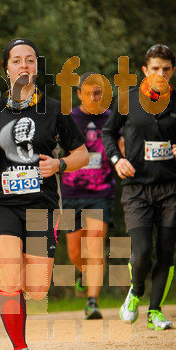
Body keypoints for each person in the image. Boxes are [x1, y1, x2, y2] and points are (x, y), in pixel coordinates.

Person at [0, 38, 88, 350]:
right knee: (10, 278)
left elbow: (82, 154)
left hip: (41, 206)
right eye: (16, 60)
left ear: (36, 67)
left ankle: (22, 312)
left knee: (36, 288)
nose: (24, 65)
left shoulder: (54, 110)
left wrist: (60, 165)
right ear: (6, 68)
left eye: (30, 60)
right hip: (1, 203)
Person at [102, 44, 176, 330]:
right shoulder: (127, 99)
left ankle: (155, 311)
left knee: (166, 251)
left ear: (173, 72)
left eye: (166, 69)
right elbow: (108, 132)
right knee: (142, 251)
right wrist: (117, 159)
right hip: (137, 189)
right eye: (155, 68)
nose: (161, 73)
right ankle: (136, 291)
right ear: (145, 70)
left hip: (171, 189)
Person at [61, 72, 119, 320]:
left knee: (95, 242)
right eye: (89, 92)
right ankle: (83, 275)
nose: (94, 97)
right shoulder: (68, 118)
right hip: (71, 191)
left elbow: (122, 145)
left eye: (98, 92)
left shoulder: (111, 119)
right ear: (79, 94)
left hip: (101, 191)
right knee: (75, 252)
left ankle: (92, 302)